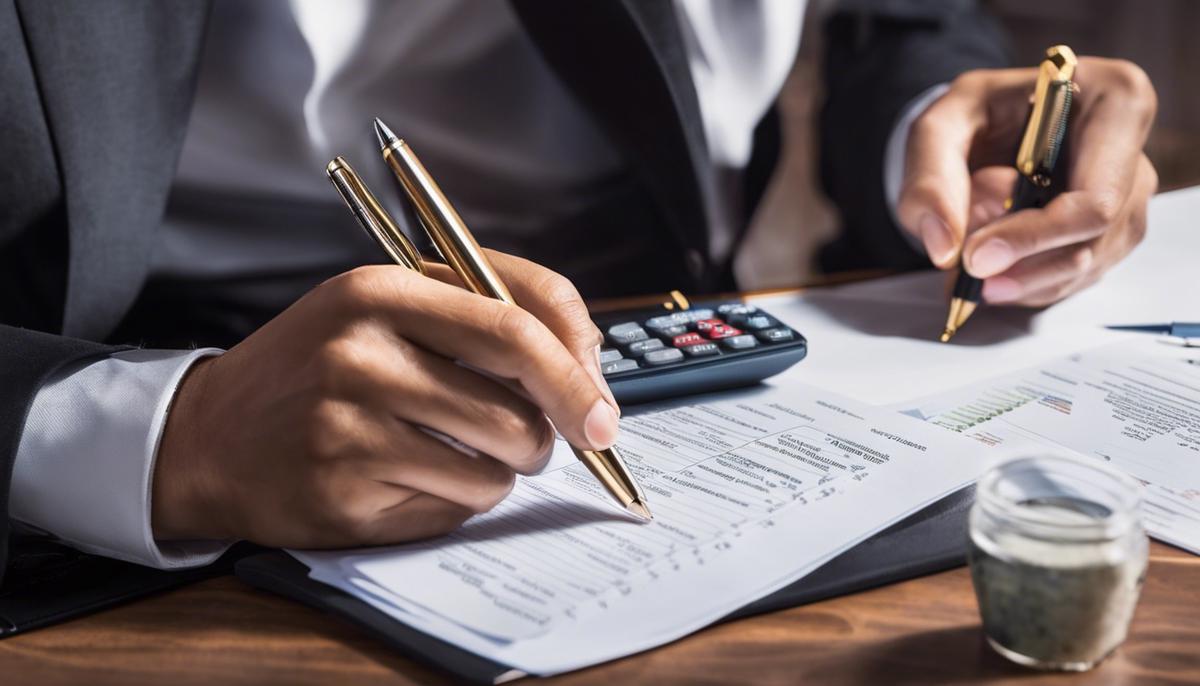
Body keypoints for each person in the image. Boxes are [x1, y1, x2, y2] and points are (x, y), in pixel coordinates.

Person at [0, 0, 1156, 586]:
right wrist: (164, 440)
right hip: (112, 367)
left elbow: (892, 21)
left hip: (660, 336)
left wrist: (947, 118)